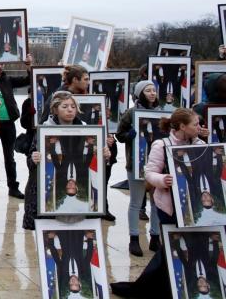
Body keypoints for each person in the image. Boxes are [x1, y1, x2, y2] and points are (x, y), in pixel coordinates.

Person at [112, 108, 205, 299]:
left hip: (194, 206)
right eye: (195, 124)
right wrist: (163, 180)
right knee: (173, 246)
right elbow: (150, 172)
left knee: (181, 247)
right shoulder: (161, 145)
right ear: (182, 126)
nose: (199, 127)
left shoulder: (200, 144)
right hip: (169, 207)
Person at [23, 91, 112, 230]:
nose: (70, 109)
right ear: (55, 109)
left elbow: (96, 163)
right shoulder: (44, 131)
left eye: (72, 106)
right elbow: (30, 161)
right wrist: (34, 159)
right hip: (44, 201)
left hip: (76, 212)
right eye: (64, 106)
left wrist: (105, 155)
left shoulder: (87, 130)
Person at [115, 80, 162, 256]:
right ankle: (134, 239)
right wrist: (130, 135)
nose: (152, 93)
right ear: (140, 93)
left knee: (157, 202)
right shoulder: (132, 112)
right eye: (148, 90)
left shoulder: (161, 112)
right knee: (136, 202)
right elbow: (120, 135)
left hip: (157, 165)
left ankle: (155, 237)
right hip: (136, 164)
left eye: (154, 90)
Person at [0, 53, 29, 200]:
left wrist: (28, 65)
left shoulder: (7, 79)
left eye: (2, 64)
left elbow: (28, 80)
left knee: (10, 157)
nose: (1, 66)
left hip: (8, 123)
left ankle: (13, 187)